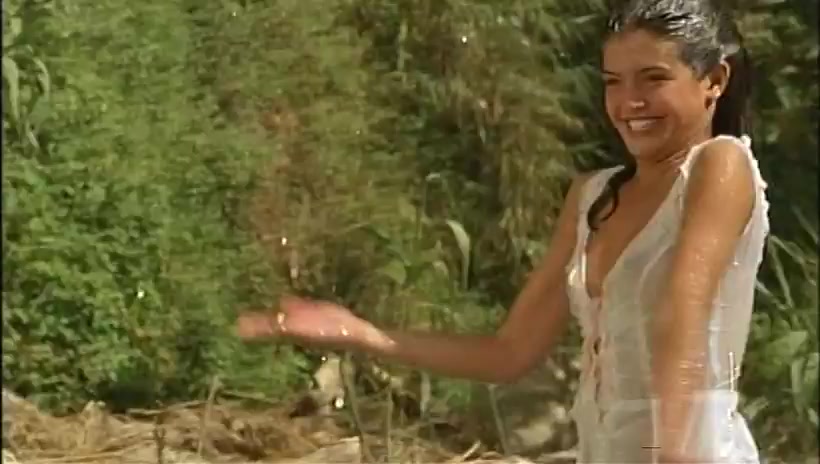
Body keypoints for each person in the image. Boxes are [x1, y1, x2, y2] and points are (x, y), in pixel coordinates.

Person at [237, 0, 769, 462]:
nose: (629, 102)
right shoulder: (591, 197)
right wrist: (362, 334)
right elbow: (509, 353)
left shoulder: (718, 165)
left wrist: (673, 453)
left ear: (714, 81)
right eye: (613, 82)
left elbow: (683, 312)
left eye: (653, 79)